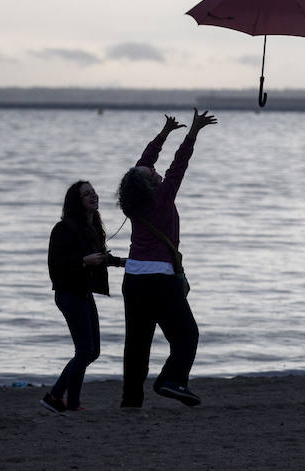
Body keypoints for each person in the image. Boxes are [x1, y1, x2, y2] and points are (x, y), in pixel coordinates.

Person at [117, 108, 217, 408]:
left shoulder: (134, 200)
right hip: (159, 279)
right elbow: (178, 166)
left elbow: (145, 162)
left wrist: (163, 134)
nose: (156, 171)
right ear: (151, 184)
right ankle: (171, 380)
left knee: (136, 344)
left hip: (133, 280)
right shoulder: (162, 197)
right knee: (187, 336)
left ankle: (131, 401)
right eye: (153, 174)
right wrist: (192, 133)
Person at [42, 181, 124, 412]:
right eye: (86, 194)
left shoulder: (93, 227)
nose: (93, 196)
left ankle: (73, 403)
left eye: (94, 192)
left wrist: (123, 262)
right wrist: (82, 261)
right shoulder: (63, 229)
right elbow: (55, 266)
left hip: (84, 293)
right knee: (85, 351)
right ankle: (54, 396)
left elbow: (100, 257)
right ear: (76, 201)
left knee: (92, 351)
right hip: (68, 294)